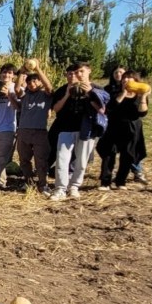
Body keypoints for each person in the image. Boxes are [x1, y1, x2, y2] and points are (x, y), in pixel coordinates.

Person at [49, 62, 109, 201]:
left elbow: (101, 110)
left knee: (81, 161)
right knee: (62, 159)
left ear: (89, 71)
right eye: (76, 72)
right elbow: (56, 109)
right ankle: (60, 189)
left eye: (81, 71)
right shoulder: (64, 89)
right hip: (65, 128)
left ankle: (74, 187)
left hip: (87, 130)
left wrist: (89, 93)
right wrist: (66, 94)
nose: (78, 74)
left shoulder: (97, 89)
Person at [97, 71, 150, 191]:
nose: (126, 80)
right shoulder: (114, 92)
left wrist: (143, 97)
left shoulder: (140, 94)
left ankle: (121, 181)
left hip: (132, 127)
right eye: (124, 78)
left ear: (136, 81)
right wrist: (123, 93)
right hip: (114, 126)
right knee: (109, 154)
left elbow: (142, 113)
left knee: (128, 155)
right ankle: (105, 182)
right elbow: (109, 108)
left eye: (130, 78)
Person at [12, 63, 54, 194]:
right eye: (29, 82)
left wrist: (37, 69)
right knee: (24, 160)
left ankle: (43, 184)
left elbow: (49, 86)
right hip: (23, 131)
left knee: (40, 160)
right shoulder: (25, 96)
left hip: (39, 132)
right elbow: (17, 89)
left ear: (40, 81)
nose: (31, 84)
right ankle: (28, 182)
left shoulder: (45, 95)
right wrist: (22, 73)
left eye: (35, 81)